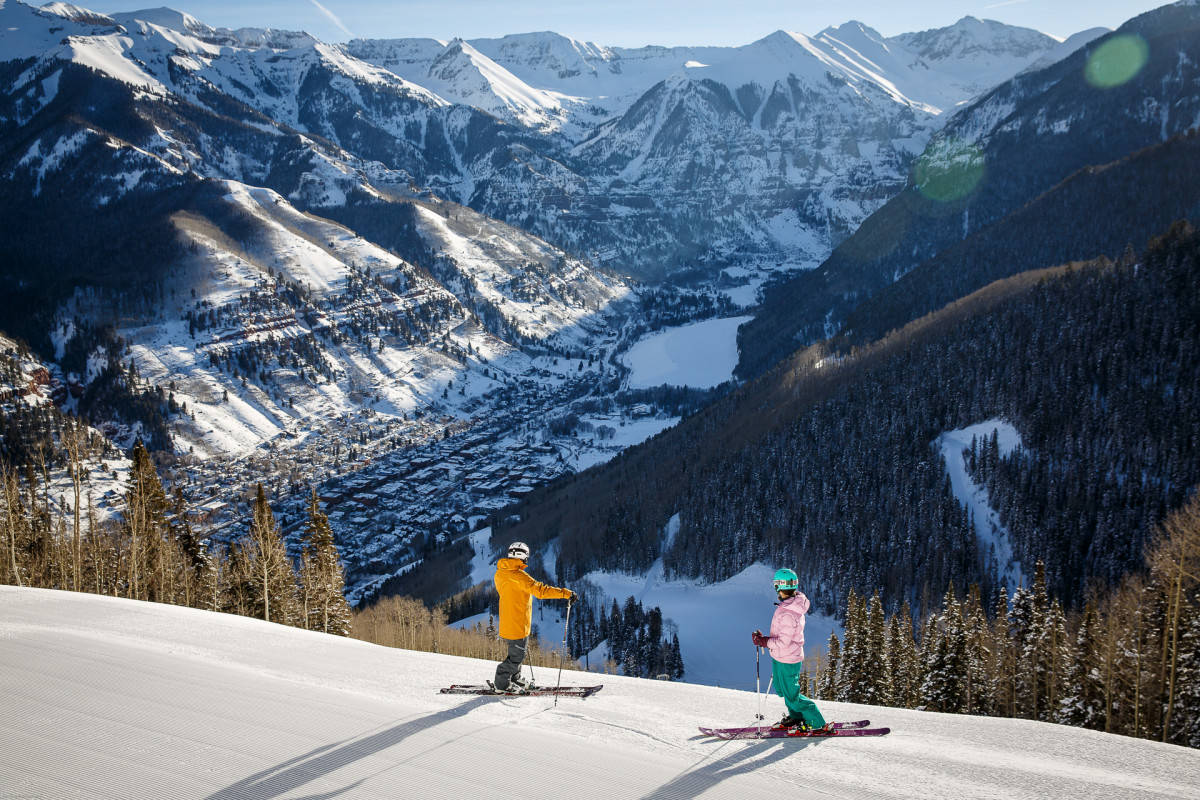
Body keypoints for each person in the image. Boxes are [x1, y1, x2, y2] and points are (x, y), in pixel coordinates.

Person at [752, 568, 829, 732]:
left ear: (778, 587)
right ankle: (796, 716)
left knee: (792, 694)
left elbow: (784, 641)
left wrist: (764, 642)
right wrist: (764, 640)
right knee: (782, 689)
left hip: (788, 658)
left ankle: (817, 722)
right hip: (780, 656)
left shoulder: (788, 612)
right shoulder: (789, 607)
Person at [493, 541, 575, 693]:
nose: (527, 560)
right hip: (516, 622)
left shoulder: (501, 573)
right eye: (526, 557)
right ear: (522, 557)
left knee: (518, 652)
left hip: (511, 620)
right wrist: (565, 593)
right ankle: (501, 683)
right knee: (517, 655)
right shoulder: (518, 575)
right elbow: (541, 591)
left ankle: (515, 678)